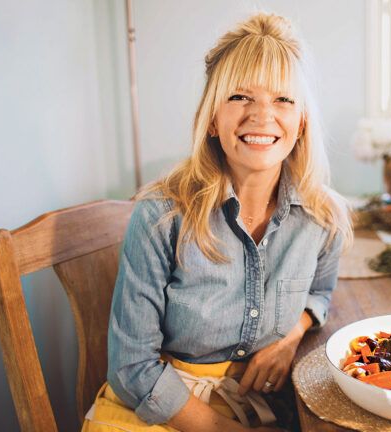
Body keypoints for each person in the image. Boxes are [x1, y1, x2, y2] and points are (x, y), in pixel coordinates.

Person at [82, 12, 353, 432]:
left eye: (282, 99)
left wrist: (292, 335)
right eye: (240, 97)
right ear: (212, 118)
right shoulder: (160, 216)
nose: (262, 116)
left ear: (301, 122)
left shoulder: (323, 219)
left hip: (257, 409)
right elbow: (132, 366)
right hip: (158, 411)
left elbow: (320, 292)